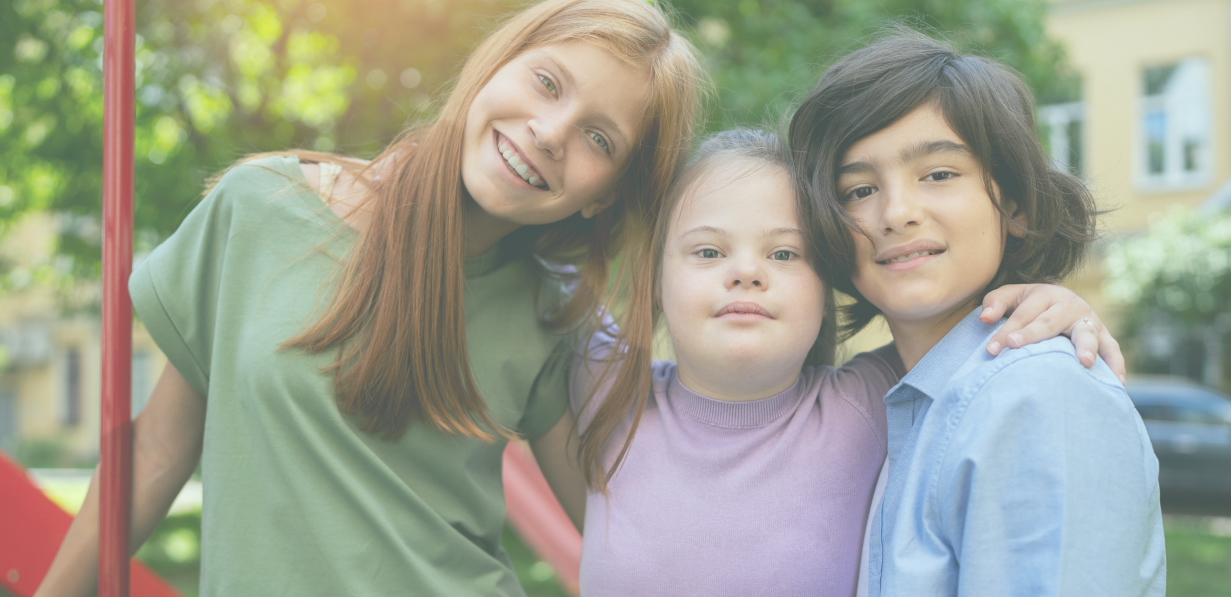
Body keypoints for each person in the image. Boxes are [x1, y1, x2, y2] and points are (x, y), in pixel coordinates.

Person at [35, 1, 705, 595]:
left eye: (599, 137)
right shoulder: (263, 208)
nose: (551, 130)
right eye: (547, 81)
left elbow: (629, 541)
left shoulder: (560, 317)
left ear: (607, 194)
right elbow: (153, 452)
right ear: (494, 64)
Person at [566, 130, 1127, 596]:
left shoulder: (872, 400)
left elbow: (961, 333)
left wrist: (1048, 301)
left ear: (828, 283)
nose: (745, 272)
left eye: (785, 253)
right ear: (654, 281)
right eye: (708, 251)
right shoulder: (605, 387)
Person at [789, 30, 1165, 596]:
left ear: (1012, 202)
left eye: (938, 174)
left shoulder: (1036, 394)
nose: (896, 213)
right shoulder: (905, 395)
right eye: (858, 190)